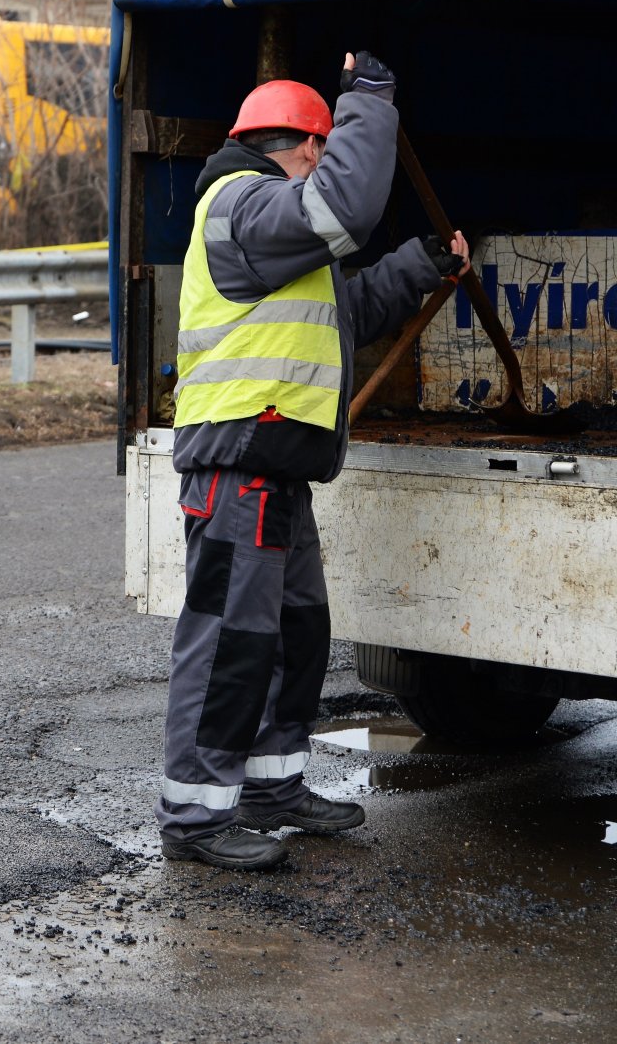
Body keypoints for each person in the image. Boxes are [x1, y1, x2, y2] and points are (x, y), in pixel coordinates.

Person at [157, 51, 471, 871]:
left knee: (292, 633)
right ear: (303, 145)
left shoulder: (270, 227)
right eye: (324, 150)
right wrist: (370, 98)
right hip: (240, 460)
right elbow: (345, 206)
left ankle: (273, 786)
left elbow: (346, 312)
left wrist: (422, 263)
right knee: (229, 641)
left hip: (275, 464)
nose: (325, 164)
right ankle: (194, 817)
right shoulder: (243, 202)